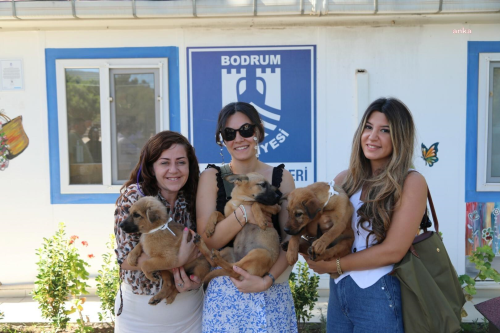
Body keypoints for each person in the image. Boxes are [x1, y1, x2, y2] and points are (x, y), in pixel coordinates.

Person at [304, 98, 428, 333]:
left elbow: (393, 250)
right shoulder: (345, 179)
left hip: (379, 290)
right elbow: (316, 227)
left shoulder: (411, 181)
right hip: (339, 290)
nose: (372, 136)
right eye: (368, 127)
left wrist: (336, 264)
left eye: (385, 131)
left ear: (400, 138)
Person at [197, 102, 298, 332]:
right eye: (229, 133)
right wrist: (245, 212)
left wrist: (267, 280)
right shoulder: (211, 177)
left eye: (246, 130)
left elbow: (290, 240)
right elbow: (209, 241)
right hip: (225, 293)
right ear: (222, 139)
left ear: (258, 131)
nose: (239, 138)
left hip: (271, 292)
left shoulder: (281, 178)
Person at [113, 131, 203, 332]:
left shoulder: (192, 197)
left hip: (190, 314)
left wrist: (196, 280)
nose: (174, 170)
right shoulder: (135, 197)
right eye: (164, 163)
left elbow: (202, 248)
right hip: (140, 316)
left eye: (181, 162)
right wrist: (177, 260)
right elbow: (125, 261)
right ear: (152, 167)